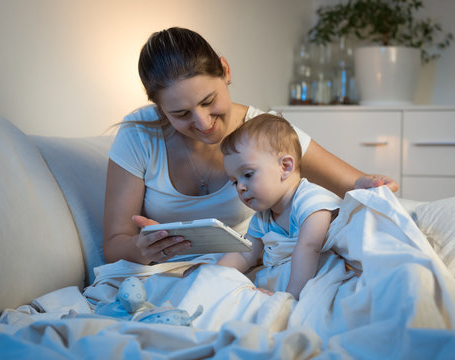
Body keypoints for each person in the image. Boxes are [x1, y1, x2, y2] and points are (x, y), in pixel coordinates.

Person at [103, 27, 398, 266]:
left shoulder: (263, 130)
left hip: (245, 269)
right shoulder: (139, 136)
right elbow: (114, 244)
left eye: (209, 101)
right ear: (159, 108)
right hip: (166, 273)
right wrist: (143, 250)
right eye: (180, 114)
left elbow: (353, 184)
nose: (204, 122)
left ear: (225, 70)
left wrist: (369, 184)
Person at [217, 113, 342, 299]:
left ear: (285, 167)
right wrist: (214, 274)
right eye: (234, 182)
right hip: (288, 280)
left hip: (315, 277)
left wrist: (289, 297)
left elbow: (309, 248)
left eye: (248, 174)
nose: (240, 187)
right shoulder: (262, 218)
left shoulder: (311, 201)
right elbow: (244, 255)